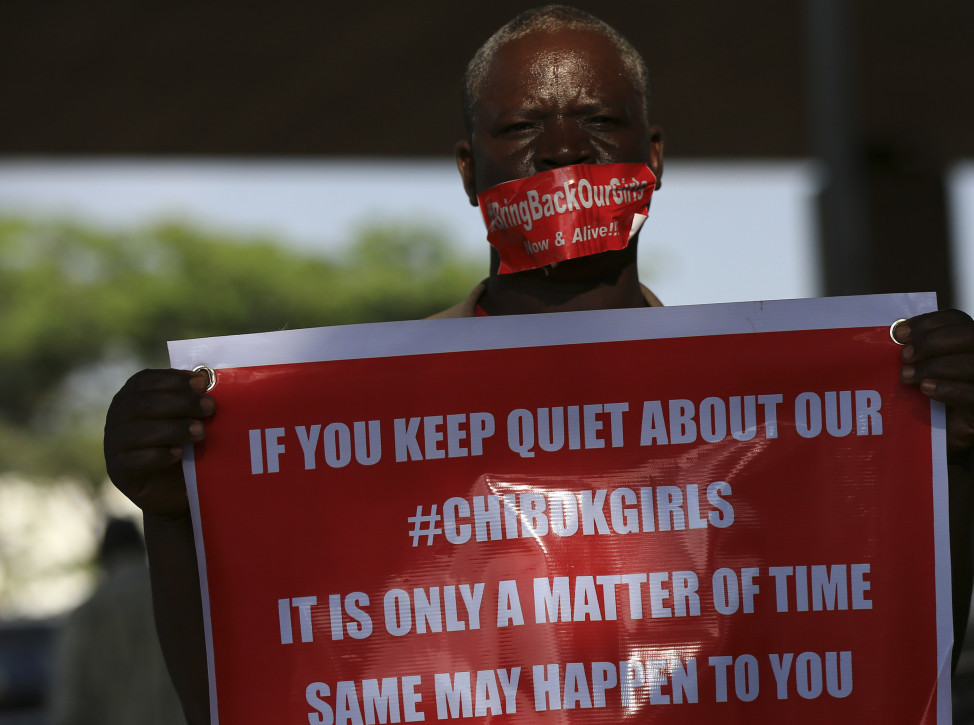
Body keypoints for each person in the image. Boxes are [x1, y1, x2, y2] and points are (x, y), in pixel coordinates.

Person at [103, 6, 974, 723]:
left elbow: (893, 663)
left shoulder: (787, 424)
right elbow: (253, 689)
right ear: (469, 169)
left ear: (653, 157)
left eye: (599, 122)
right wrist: (178, 512)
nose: (564, 151)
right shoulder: (350, 429)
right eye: (521, 127)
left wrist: (948, 450)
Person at [49, 518, 185, 725]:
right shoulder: (178, 600)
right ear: (142, 548)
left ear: (104, 557)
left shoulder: (89, 614)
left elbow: (71, 698)